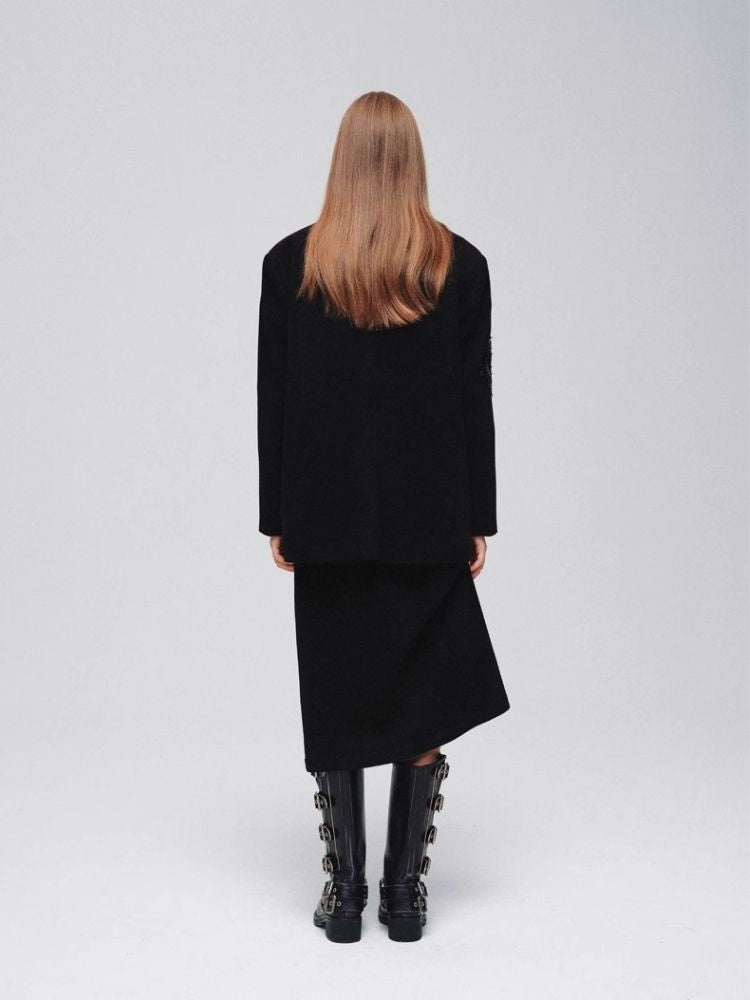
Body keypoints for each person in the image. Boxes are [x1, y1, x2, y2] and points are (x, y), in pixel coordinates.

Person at [256, 91, 510, 944]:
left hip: (325, 515)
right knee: (422, 697)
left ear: (343, 160)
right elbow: (474, 398)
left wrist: (278, 514)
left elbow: (274, 401)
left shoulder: (290, 265)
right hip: (428, 515)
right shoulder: (458, 267)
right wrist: (477, 516)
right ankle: (403, 897)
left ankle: (345, 896)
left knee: (336, 687)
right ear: (412, 162)